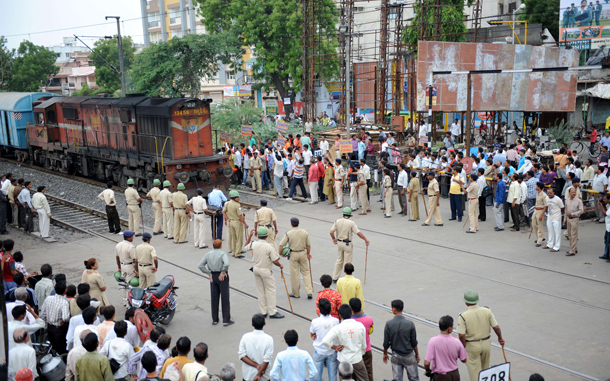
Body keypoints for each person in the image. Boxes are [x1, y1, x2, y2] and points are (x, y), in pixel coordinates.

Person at [458, 290, 504, 381]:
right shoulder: (487, 311)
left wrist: (462, 348)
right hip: (486, 344)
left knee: (475, 374)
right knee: (485, 371)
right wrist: (500, 338)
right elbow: (496, 327)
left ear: (466, 303)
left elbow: (461, 335)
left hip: (472, 346)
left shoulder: (463, 316)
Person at [245, 227, 284, 319]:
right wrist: (280, 265)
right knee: (270, 290)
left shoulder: (254, 244)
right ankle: (272, 311)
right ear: (266, 236)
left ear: (258, 236)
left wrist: (250, 236)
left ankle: (263, 311)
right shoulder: (269, 246)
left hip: (256, 269)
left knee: (260, 290)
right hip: (265, 270)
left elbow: (246, 246)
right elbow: (274, 260)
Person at [322, 304, 369, 381]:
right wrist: (360, 354)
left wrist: (334, 347)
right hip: (357, 359)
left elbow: (325, 341)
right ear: (351, 313)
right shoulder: (360, 326)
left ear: (339, 315)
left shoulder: (337, 328)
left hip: (343, 360)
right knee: (364, 379)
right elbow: (363, 344)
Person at [329, 208, 370, 282]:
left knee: (339, 260)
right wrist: (365, 239)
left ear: (343, 214)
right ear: (349, 215)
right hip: (347, 244)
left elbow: (331, 232)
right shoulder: (351, 223)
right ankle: (347, 278)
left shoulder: (337, 221)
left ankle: (335, 277)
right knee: (348, 262)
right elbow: (358, 233)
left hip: (339, 243)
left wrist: (334, 239)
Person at [382, 299, 419, 381]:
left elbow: (386, 343)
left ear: (394, 309)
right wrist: (417, 355)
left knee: (397, 379)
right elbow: (414, 343)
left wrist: (385, 354)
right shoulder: (410, 324)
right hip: (409, 355)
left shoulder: (389, 324)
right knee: (414, 378)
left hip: (396, 356)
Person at [198, 239, 232, 326]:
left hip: (213, 276)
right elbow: (227, 263)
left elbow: (200, 265)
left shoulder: (208, 254)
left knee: (214, 298)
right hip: (222, 276)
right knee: (225, 298)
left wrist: (209, 273)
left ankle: (215, 319)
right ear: (221, 246)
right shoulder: (222, 254)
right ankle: (226, 319)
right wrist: (223, 272)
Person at [424, 316, 467, 381]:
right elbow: (464, 360)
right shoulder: (456, 341)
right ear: (449, 329)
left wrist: (427, 370)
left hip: (440, 376)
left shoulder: (433, 341)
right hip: (454, 375)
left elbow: (427, 363)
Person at [278, 217, 313, 299]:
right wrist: (308, 254)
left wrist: (280, 253)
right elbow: (308, 245)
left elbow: (281, 245)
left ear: (291, 224)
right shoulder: (305, 232)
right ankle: (309, 291)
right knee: (306, 272)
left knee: (295, 274)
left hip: (293, 254)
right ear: (299, 223)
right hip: (303, 253)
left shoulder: (288, 233)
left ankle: (296, 293)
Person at [310, 298, 339, 381]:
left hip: (319, 350)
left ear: (319, 309)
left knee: (317, 376)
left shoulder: (315, 321)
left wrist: (313, 336)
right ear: (330, 308)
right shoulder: (335, 321)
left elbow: (312, 333)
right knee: (333, 376)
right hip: (332, 351)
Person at [239, 314, 275, 381]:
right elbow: (266, 360)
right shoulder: (269, 339)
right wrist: (258, 375)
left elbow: (242, 356)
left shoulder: (245, 337)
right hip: (264, 377)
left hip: (248, 376)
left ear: (252, 324)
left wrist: (256, 365)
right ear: (264, 323)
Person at [40, 282, 70, 354]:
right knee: (60, 349)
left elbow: (43, 314)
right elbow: (65, 318)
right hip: (59, 329)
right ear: (65, 290)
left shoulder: (48, 298)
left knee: (51, 347)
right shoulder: (64, 302)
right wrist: (64, 321)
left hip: (50, 327)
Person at [349, 298, 374, 381]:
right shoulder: (369, 319)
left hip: (354, 351)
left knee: (355, 373)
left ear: (351, 309)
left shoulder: (349, 321)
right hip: (367, 349)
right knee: (368, 371)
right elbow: (370, 331)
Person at [223, 191, 248, 258]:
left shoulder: (228, 204)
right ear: (234, 198)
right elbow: (240, 216)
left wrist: (227, 218)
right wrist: (245, 224)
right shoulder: (237, 205)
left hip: (231, 221)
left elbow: (223, 211)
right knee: (239, 238)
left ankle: (233, 252)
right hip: (237, 222)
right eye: (237, 197)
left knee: (234, 238)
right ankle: (238, 253)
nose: (239, 198)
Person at [116, 231, 136, 304]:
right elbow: (135, 260)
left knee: (123, 284)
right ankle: (129, 302)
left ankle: (124, 300)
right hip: (129, 266)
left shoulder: (118, 245)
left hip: (122, 265)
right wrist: (137, 271)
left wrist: (119, 267)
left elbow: (117, 257)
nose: (132, 238)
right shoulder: (130, 247)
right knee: (129, 285)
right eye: (131, 237)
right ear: (128, 238)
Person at [564, 187, 584, 256]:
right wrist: (564, 220)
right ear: (569, 193)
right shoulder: (567, 201)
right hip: (568, 219)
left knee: (573, 235)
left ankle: (572, 251)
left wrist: (572, 214)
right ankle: (574, 248)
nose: (574, 193)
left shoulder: (578, 201)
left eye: (574, 192)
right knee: (569, 235)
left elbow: (581, 211)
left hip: (575, 219)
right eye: (572, 192)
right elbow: (566, 211)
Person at [544, 188, 564, 252]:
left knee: (557, 232)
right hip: (549, 216)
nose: (549, 194)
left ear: (554, 192)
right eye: (548, 193)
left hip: (556, 217)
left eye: (550, 193)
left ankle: (557, 247)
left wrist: (557, 213)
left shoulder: (558, 199)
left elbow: (562, 208)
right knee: (550, 231)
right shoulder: (546, 198)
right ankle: (550, 244)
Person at [532, 182, 548, 247]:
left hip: (540, 210)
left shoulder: (544, 195)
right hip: (536, 209)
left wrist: (542, 214)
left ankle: (539, 241)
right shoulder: (537, 193)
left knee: (540, 225)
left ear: (539, 187)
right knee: (534, 224)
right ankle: (540, 237)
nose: (535, 186)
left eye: (536, 185)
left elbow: (546, 206)